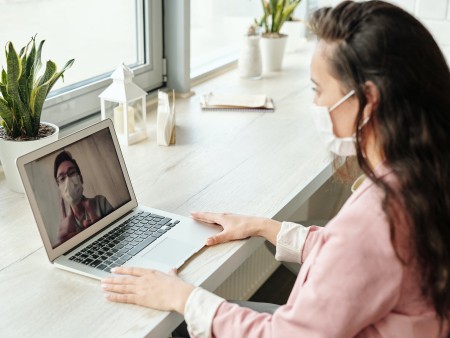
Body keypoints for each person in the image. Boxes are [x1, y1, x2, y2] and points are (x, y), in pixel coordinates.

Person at [100, 1, 450, 337]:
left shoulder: (378, 218)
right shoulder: (424, 175)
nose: (315, 103)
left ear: (368, 100)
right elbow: (356, 264)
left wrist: (181, 296)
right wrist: (265, 227)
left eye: (319, 90)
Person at [54, 150, 113, 245]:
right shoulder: (65, 228)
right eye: (62, 178)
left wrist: (100, 228)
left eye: (72, 173)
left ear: (80, 178)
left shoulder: (101, 203)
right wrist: (63, 244)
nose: (68, 181)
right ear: (60, 189)